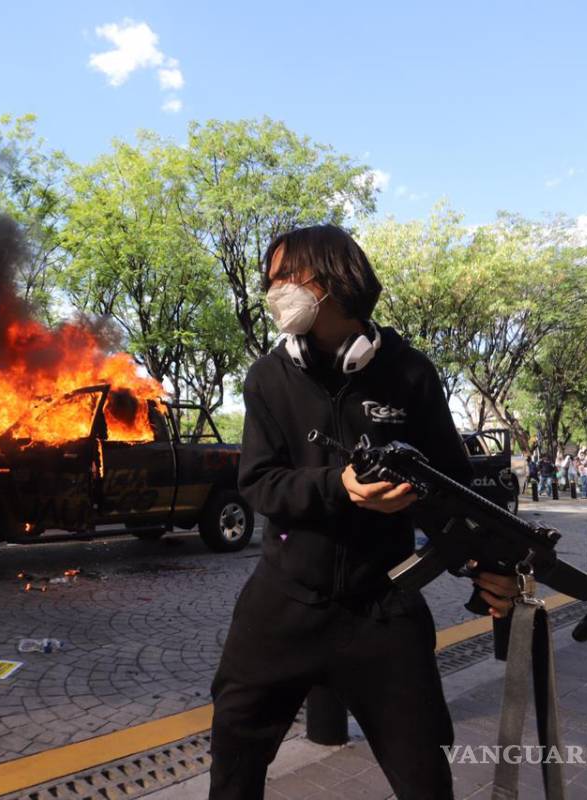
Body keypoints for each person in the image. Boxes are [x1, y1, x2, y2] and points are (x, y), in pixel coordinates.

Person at [208, 225, 519, 800]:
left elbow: (452, 490)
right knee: (233, 759)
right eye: (269, 280)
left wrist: (484, 564)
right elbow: (258, 483)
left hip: (384, 609)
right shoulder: (268, 377)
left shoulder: (411, 374)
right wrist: (340, 487)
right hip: (282, 604)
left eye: (286, 278)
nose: (273, 291)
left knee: (425, 772)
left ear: (333, 281)